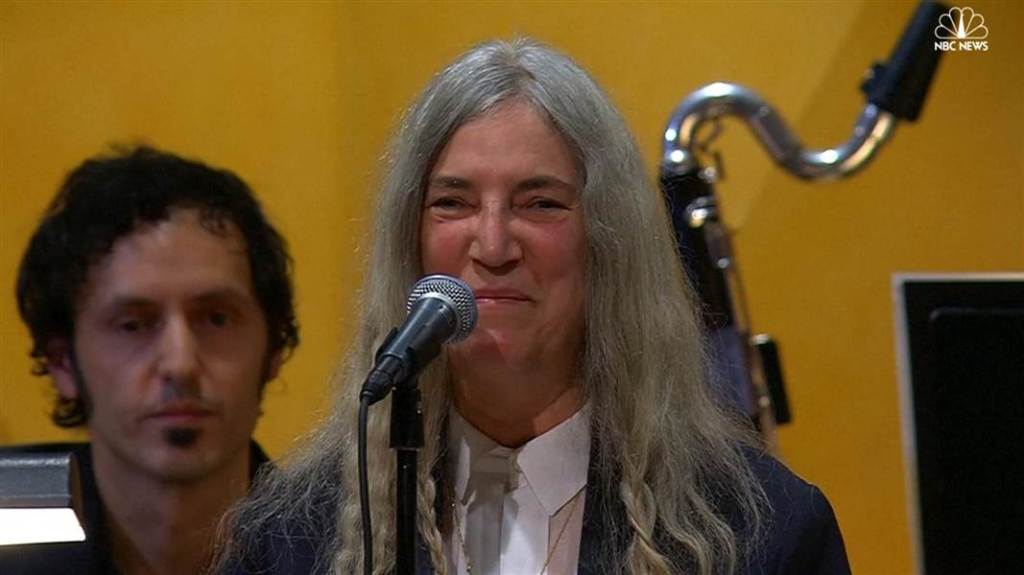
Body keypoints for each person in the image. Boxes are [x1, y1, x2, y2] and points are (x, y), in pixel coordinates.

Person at [217, 39, 850, 575]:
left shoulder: (763, 534)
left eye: (540, 203)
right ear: (409, 243)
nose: (492, 246)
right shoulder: (291, 541)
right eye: (453, 203)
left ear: (608, 243)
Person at [1, 146, 299, 575]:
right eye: (132, 325)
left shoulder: (353, 550)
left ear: (273, 347)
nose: (180, 364)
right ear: (62, 362)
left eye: (216, 318)